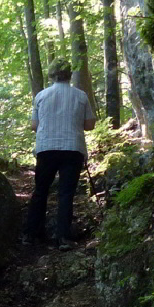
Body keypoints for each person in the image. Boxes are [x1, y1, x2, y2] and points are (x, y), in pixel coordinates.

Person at [23, 58, 96, 249]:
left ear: (51, 74)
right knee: (66, 193)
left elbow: (34, 126)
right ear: (69, 74)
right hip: (72, 148)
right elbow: (89, 125)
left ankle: (31, 234)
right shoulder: (80, 96)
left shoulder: (41, 96)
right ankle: (63, 237)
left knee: (41, 190)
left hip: (46, 147)